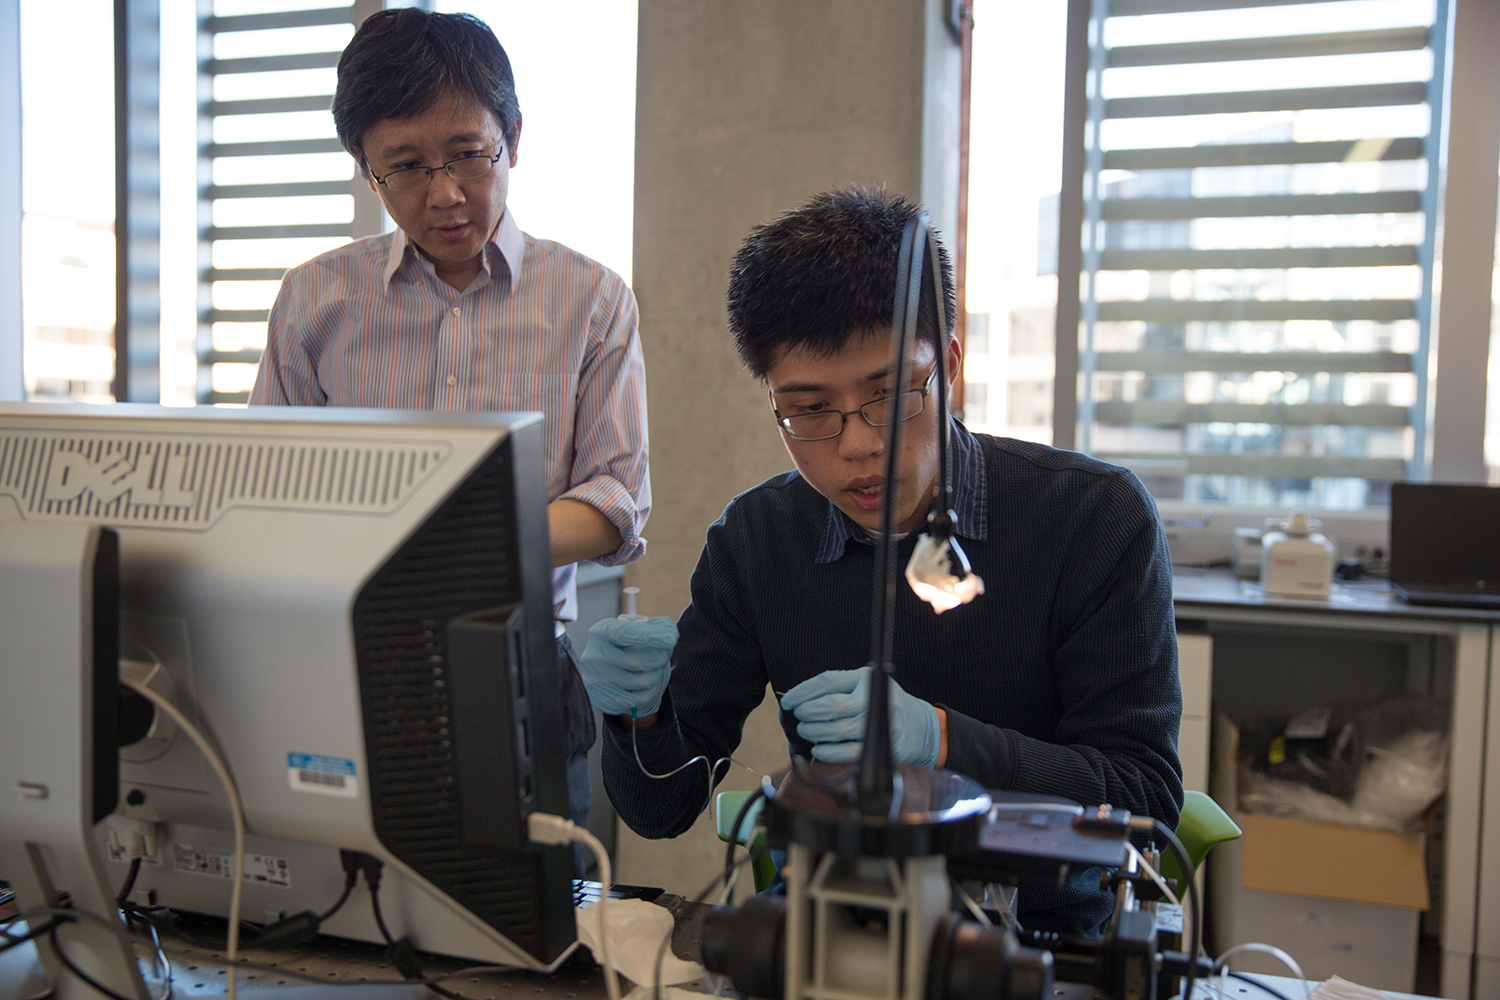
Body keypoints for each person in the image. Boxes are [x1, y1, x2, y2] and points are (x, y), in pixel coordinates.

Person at [579, 187, 1180, 935]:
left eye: (891, 394)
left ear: (950, 365)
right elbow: (663, 809)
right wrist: (635, 718)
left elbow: (1146, 797)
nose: (857, 444)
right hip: (834, 931)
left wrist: (946, 742)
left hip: (1041, 944)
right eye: (809, 411)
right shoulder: (759, 541)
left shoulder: (1092, 519)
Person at [249, 9, 651, 828]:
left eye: (469, 154)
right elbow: (264, 488)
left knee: (534, 928)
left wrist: (460, 538)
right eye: (404, 167)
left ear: (513, 134)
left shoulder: (591, 299)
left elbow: (618, 502)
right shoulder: (314, 299)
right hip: (344, 667)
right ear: (366, 168)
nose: (446, 194)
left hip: (523, 670)